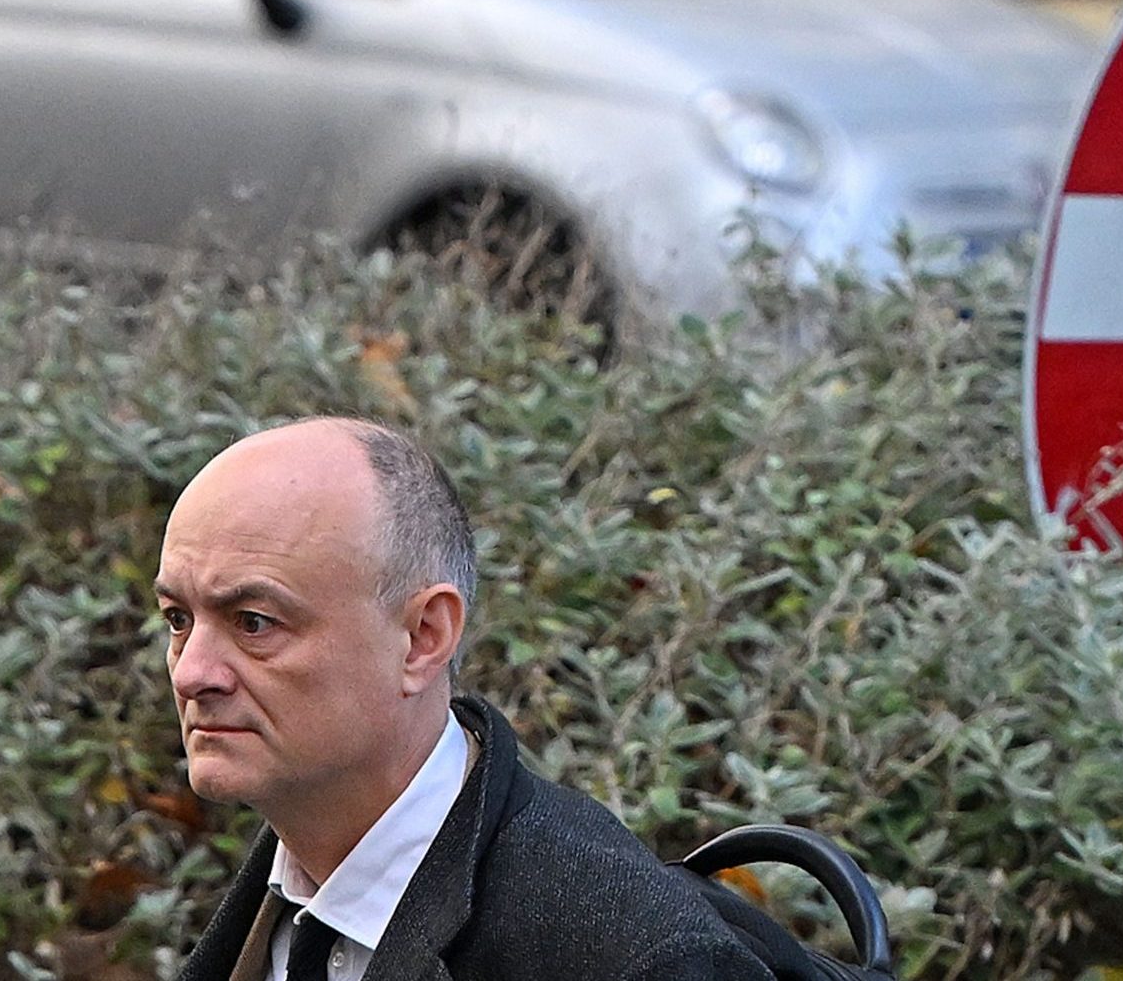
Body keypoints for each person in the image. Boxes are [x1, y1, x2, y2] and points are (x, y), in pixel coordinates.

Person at [159, 417, 773, 981]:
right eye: (177, 619)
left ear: (424, 637)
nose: (192, 673)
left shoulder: (628, 954)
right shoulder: (288, 895)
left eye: (255, 622)